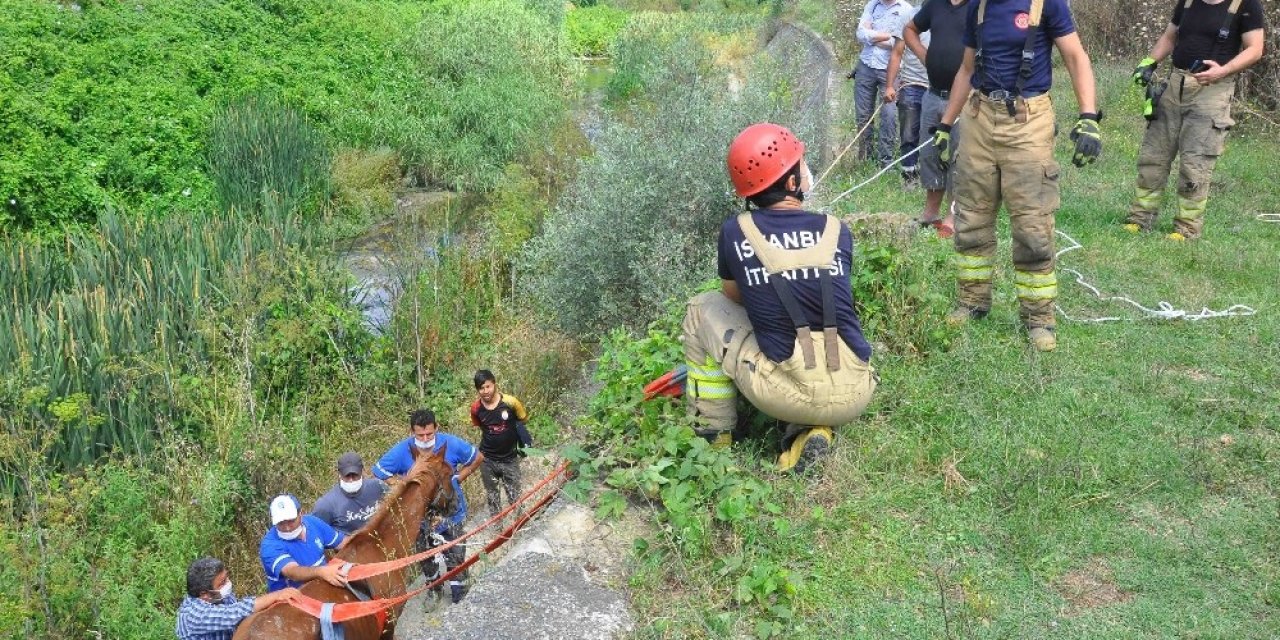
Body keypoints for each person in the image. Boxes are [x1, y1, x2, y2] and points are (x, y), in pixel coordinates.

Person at [683, 123, 878, 474]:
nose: (806, 171)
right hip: (855, 388)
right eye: (801, 165)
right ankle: (810, 432)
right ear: (791, 183)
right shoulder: (838, 229)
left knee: (702, 308)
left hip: (783, 392)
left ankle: (712, 437)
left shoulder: (735, 231)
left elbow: (734, 298)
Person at [932, 0, 1100, 352]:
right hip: (979, 117)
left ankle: (1039, 319)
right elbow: (966, 70)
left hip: (1027, 121)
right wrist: (947, 125)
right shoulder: (977, 6)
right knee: (971, 217)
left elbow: (1075, 57)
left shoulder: (1047, 3)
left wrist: (1089, 117)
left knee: (1032, 226)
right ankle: (971, 302)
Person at [1126, 0, 1265, 240]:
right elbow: (1170, 37)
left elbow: (1255, 49)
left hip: (1212, 90)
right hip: (1174, 85)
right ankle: (1140, 219)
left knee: (1195, 163)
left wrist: (1222, 70)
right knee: (1153, 156)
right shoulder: (1188, 2)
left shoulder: (1246, 4)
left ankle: (1186, 228)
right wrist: (1149, 62)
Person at [373, 409, 483, 603]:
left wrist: (458, 478)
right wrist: (402, 485)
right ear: (411, 432)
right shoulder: (402, 451)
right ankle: (434, 590)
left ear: (436, 429)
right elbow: (379, 470)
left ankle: (460, 594)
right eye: (420, 435)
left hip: (450, 513)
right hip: (420, 519)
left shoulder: (451, 444)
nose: (425, 439)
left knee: (456, 555)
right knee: (426, 558)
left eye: (429, 434)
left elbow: (477, 457)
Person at [903, 0, 972, 237]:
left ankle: (953, 217)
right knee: (930, 154)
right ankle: (930, 214)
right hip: (933, 94)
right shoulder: (935, 4)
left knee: (958, 157)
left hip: (965, 98)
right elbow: (909, 30)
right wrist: (926, 56)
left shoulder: (979, 6)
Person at [176, 557, 299, 640]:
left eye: (227, 577)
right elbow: (234, 613)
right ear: (204, 594)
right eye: (222, 582)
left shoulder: (218, 596)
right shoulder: (192, 615)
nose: (228, 583)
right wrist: (277, 595)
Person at [855, 0, 914, 166]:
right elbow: (860, 34)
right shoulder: (872, 5)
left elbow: (903, 43)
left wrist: (872, 36)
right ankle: (865, 159)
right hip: (865, 66)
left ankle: (885, 162)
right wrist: (889, 35)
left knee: (888, 117)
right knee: (863, 116)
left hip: (891, 71)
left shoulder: (906, 10)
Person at [258, 494, 352, 592]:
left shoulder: (312, 522)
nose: (287, 528)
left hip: (324, 586)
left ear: (301, 514)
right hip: (293, 598)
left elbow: (342, 542)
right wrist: (321, 572)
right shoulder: (270, 546)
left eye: (291, 521)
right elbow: (292, 571)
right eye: (281, 523)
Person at [470, 369, 533, 517]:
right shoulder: (476, 408)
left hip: (510, 458)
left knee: (514, 494)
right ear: (477, 390)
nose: (485, 391)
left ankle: (519, 524)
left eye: (488, 386)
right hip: (487, 459)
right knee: (492, 496)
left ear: (494, 384)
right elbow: (479, 425)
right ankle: (497, 529)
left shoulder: (510, 402)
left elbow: (523, 419)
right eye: (481, 388)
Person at [885, 5, 931, 190]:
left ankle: (932, 179)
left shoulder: (956, 14)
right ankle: (909, 179)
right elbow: (897, 53)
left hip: (940, 86)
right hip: (912, 83)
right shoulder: (910, 16)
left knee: (934, 136)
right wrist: (889, 85)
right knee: (909, 134)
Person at [312, 451, 389, 535]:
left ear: (362, 472)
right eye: (347, 476)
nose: (351, 480)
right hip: (351, 545)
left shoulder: (378, 487)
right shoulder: (326, 505)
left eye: (355, 475)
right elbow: (318, 534)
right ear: (339, 474)